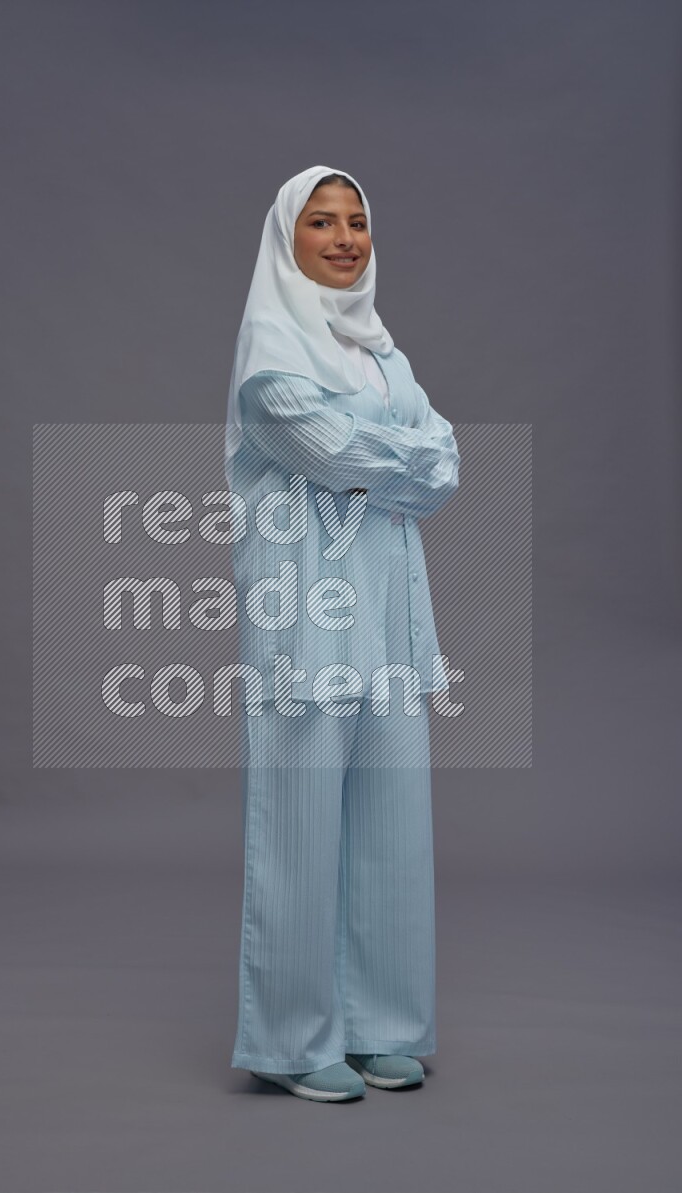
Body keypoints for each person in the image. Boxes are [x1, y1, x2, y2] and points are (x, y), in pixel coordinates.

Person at [224, 165, 460, 1102]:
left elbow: (446, 466)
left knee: (394, 825)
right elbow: (330, 452)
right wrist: (403, 456)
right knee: (299, 825)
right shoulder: (270, 354)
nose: (344, 238)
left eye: (356, 221)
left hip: (393, 618)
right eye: (321, 222)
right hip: (307, 617)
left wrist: (391, 459)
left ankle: (380, 1026)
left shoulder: (382, 353)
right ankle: (289, 1039)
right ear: (288, 240)